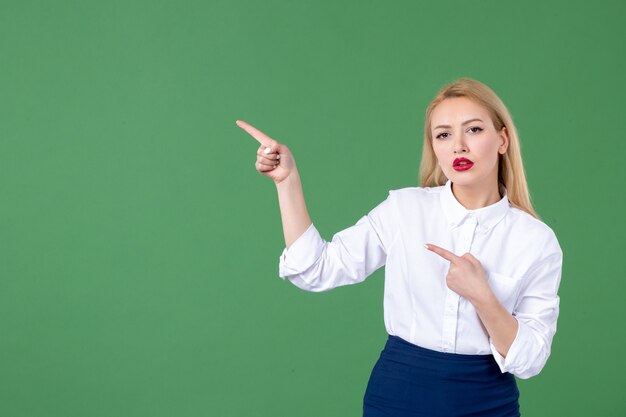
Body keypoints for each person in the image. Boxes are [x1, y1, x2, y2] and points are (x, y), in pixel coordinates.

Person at [236, 78, 563, 417]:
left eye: (474, 130)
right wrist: (288, 182)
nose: (458, 146)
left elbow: (530, 359)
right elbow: (316, 270)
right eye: (444, 134)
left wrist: (482, 296)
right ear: (433, 146)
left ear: (502, 140)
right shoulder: (403, 210)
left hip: (487, 402)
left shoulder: (536, 241)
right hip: (398, 396)